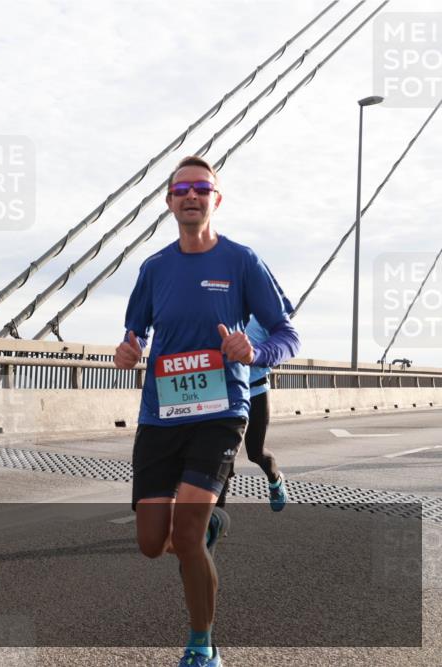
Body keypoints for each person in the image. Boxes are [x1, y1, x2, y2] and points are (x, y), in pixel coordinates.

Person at [114, 155, 299, 667]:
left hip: (220, 413)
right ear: (169, 203)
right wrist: (126, 352)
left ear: (216, 199)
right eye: (181, 190)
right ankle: (208, 530)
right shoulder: (154, 269)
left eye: (201, 188)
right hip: (160, 415)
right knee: (155, 542)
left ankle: (202, 646)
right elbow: (134, 336)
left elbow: (286, 333)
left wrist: (255, 352)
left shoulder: (241, 261)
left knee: (188, 535)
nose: (190, 196)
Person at [217, 313, 291, 511]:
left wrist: (254, 354)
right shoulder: (223, 316)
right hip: (229, 394)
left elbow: (279, 351)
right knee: (224, 457)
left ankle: (275, 479)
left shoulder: (264, 317)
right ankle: (215, 521)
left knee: (255, 452)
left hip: (257, 392)